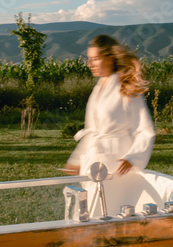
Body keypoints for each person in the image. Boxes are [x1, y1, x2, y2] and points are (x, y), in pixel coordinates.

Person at [64, 34, 156, 217]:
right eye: (89, 59)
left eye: (96, 59)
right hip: (95, 160)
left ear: (110, 58)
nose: (90, 64)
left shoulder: (126, 87)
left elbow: (145, 130)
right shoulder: (98, 87)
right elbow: (92, 131)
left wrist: (133, 157)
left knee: (110, 210)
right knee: (89, 210)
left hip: (117, 161)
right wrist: (76, 160)